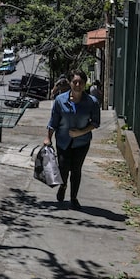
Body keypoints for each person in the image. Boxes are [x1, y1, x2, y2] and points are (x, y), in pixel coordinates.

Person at [44, 69, 101, 210]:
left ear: (84, 83)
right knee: (63, 168)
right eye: (74, 82)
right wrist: (48, 138)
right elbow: (53, 121)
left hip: (82, 142)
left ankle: (74, 198)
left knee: (76, 170)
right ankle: (63, 186)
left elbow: (95, 123)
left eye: (80, 82)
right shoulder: (60, 100)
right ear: (69, 83)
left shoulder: (92, 102)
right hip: (63, 141)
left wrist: (81, 132)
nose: (77, 85)